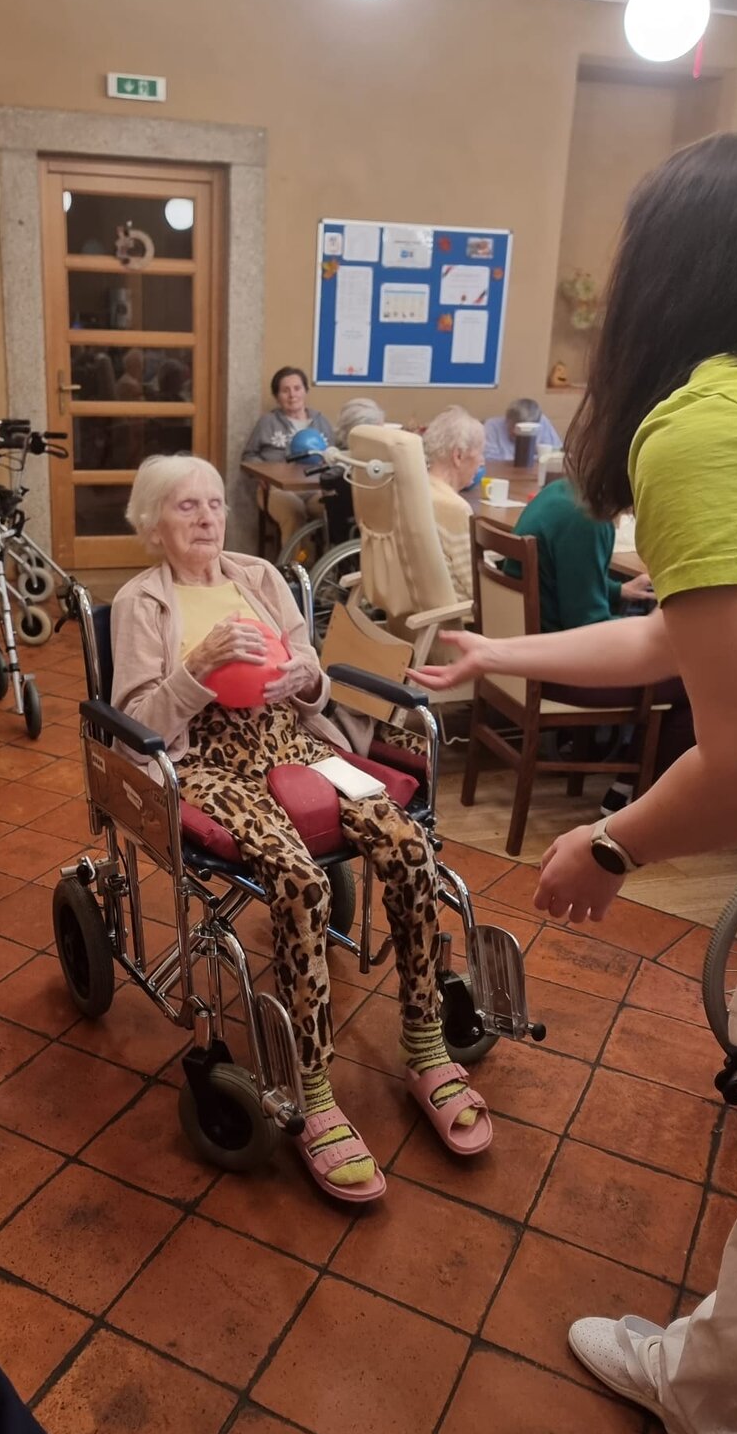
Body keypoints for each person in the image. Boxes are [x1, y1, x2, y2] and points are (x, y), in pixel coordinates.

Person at [413, 131, 737, 1434]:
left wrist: (608, 847)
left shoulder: (707, 429)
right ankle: (703, 1387)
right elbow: (683, 635)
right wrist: (497, 651)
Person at [111, 454, 491, 1204]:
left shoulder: (259, 576)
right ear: (152, 523)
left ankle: (424, 1044)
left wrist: (305, 679)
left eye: (214, 504)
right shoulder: (140, 602)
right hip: (208, 763)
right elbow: (135, 726)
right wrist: (198, 665)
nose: (207, 518)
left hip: (295, 742)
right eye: (186, 507)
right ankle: (312, 1090)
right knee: (298, 878)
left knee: (409, 846)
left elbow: (314, 675)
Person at [507, 473, 689, 811]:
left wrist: (618, 590)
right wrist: (651, 630)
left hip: (530, 656)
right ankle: (639, 797)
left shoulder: (560, 493)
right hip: (561, 670)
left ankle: (628, 781)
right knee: (697, 680)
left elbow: (556, 577)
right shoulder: (589, 519)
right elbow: (590, 628)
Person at [242, 366, 334, 550]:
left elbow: (334, 454)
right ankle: (296, 566)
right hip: (277, 489)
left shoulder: (321, 421)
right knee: (294, 512)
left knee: (333, 510)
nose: (292, 395)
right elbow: (249, 456)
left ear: (305, 391)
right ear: (277, 396)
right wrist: (261, 474)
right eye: (285, 390)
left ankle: (328, 563)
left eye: (297, 388)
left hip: (314, 488)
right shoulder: (268, 422)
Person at [421, 407, 486, 602]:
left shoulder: (417, 489)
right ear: (458, 456)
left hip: (420, 608)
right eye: (480, 453)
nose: (482, 462)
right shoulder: (454, 508)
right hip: (459, 615)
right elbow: (477, 586)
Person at [483, 397, 563, 461]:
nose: (517, 432)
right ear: (507, 419)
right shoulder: (492, 426)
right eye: (514, 427)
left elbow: (556, 453)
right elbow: (489, 459)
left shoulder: (542, 423)